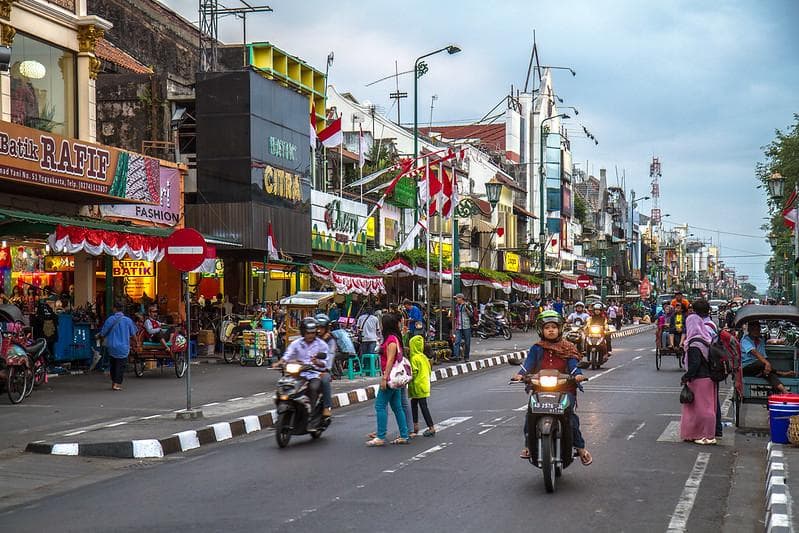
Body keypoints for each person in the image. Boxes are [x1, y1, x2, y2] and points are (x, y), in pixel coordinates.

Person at [511, 310, 592, 465]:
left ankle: (580, 448)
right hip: (540, 388)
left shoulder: (568, 347)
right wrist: (520, 375)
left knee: (571, 417)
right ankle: (528, 446)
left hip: (565, 389)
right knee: (530, 415)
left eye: (554, 327)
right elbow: (528, 364)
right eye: (547, 327)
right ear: (541, 330)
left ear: (560, 329)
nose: (551, 330)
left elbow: (573, 366)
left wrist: (578, 375)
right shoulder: (536, 348)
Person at [366, 313, 410, 446]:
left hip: (391, 377)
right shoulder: (395, 338)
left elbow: (391, 360)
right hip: (395, 377)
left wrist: (384, 378)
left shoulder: (391, 340)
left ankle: (380, 436)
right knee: (397, 407)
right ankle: (404, 435)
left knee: (380, 405)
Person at [272, 317, 329, 412]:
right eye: (308, 333)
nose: (310, 335)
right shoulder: (296, 343)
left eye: (312, 333)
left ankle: (311, 412)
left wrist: (317, 362)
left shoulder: (322, 345)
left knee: (313, 388)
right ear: (303, 332)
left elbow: (324, 363)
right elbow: (287, 355)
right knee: (282, 386)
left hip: (313, 374)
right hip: (297, 374)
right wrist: (279, 363)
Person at [680, 313, 719, 444]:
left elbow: (695, 364)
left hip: (700, 379)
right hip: (708, 378)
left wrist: (686, 377)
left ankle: (707, 436)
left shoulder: (694, 344)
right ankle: (699, 434)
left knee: (704, 410)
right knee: (702, 408)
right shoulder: (706, 340)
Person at [741, 321, 791, 394]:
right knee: (763, 364)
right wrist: (767, 363)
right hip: (746, 367)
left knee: (768, 373)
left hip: (759, 367)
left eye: (758, 329)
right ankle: (779, 373)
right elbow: (755, 352)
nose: (756, 331)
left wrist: (779, 341)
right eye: (754, 329)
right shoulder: (745, 340)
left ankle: (784, 390)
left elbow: (769, 342)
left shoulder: (760, 340)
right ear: (749, 330)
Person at [98, 302, 138, 391]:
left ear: (114, 309)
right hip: (123, 347)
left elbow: (103, 333)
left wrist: (100, 337)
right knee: (120, 366)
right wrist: (136, 342)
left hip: (111, 346)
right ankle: (117, 384)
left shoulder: (110, 319)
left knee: (113, 365)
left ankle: (114, 382)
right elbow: (133, 334)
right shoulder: (128, 320)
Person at [408, 334, 435, 437]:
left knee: (422, 406)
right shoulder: (424, 357)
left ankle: (431, 427)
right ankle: (415, 426)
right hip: (424, 385)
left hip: (417, 386)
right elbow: (429, 370)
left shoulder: (414, 358)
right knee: (414, 403)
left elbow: (414, 373)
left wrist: (408, 380)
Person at [312, 315, 338, 417]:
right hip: (308, 368)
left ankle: (327, 407)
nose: (319, 330)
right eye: (317, 327)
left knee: (325, 380)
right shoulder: (310, 337)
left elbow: (330, 355)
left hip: (322, 369)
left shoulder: (330, 340)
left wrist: (326, 368)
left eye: (321, 328)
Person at [452, 293, 473, 362]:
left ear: (461, 298)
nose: (456, 300)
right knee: (457, 341)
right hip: (458, 326)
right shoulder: (457, 306)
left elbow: (471, 315)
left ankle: (466, 357)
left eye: (457, 298)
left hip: (466, 326)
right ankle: (456, 356)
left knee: (467, 342)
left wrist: (467, 310)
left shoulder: (467, 305)